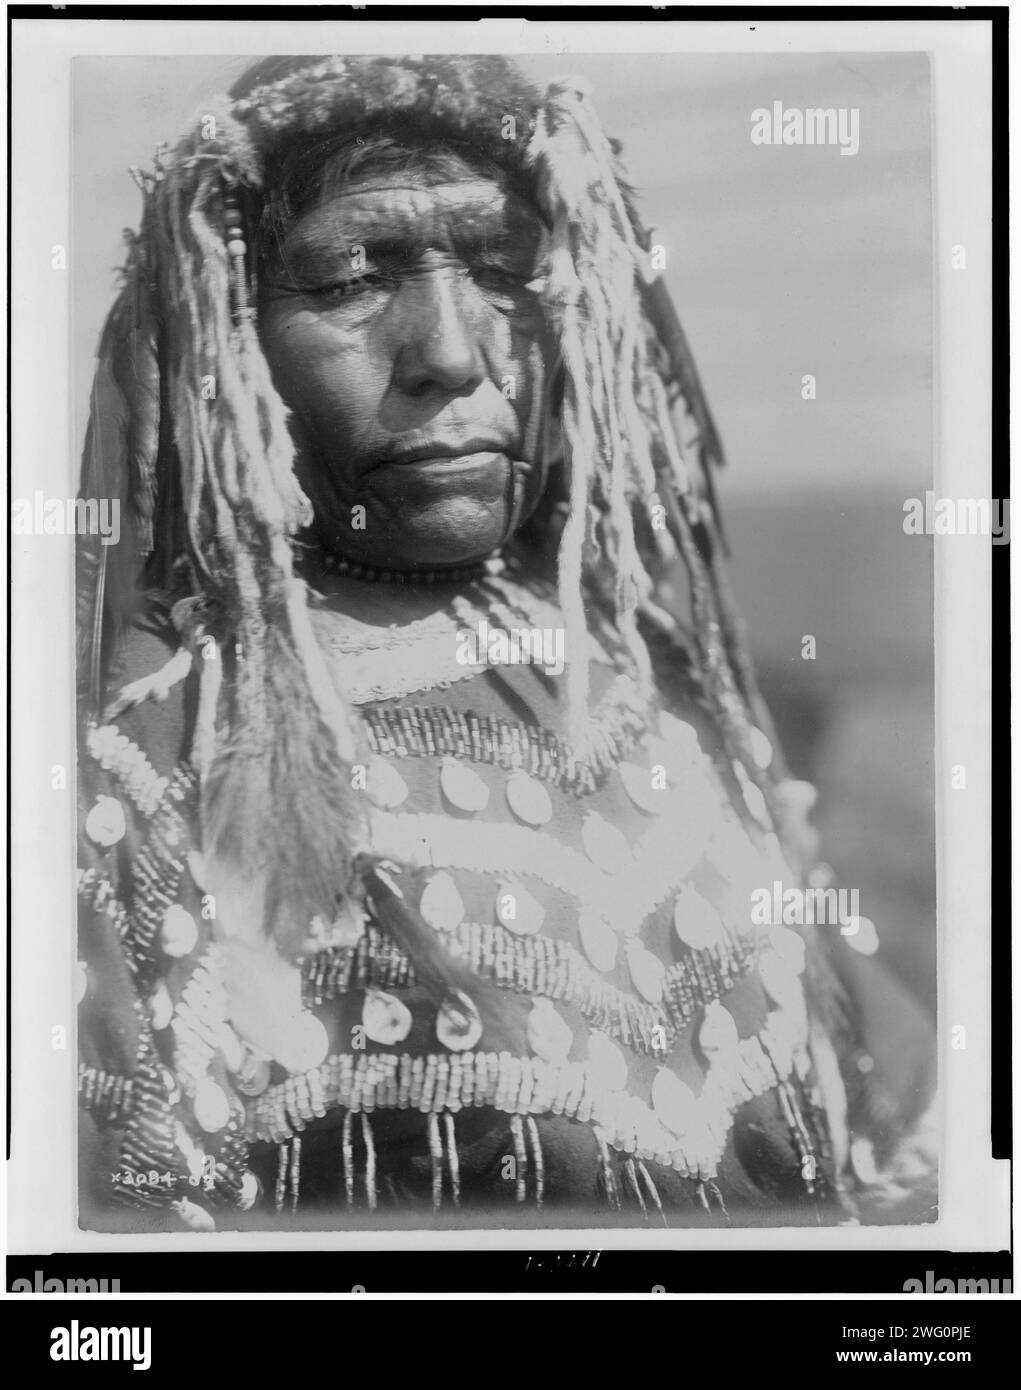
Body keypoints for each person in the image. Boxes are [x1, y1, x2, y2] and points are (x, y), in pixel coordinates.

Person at [76, 54, 934, 1230]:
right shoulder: (162, 759)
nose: (450, 350)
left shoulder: (672, 691)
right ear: (230, 337)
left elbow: (905, 1119)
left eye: (504, 267)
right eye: (345, 278)